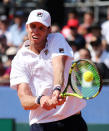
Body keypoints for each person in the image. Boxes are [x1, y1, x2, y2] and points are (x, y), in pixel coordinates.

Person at [10, 9, 87, 131]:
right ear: (27, 27)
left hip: (72, 120)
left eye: (41, 28)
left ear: (49, 30)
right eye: (33, 26)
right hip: (42, 124)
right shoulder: (19, 60)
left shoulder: (56, 39)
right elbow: (24, 99)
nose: (36, 31)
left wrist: (57, 88)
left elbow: (58, 65)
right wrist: (41, 99)